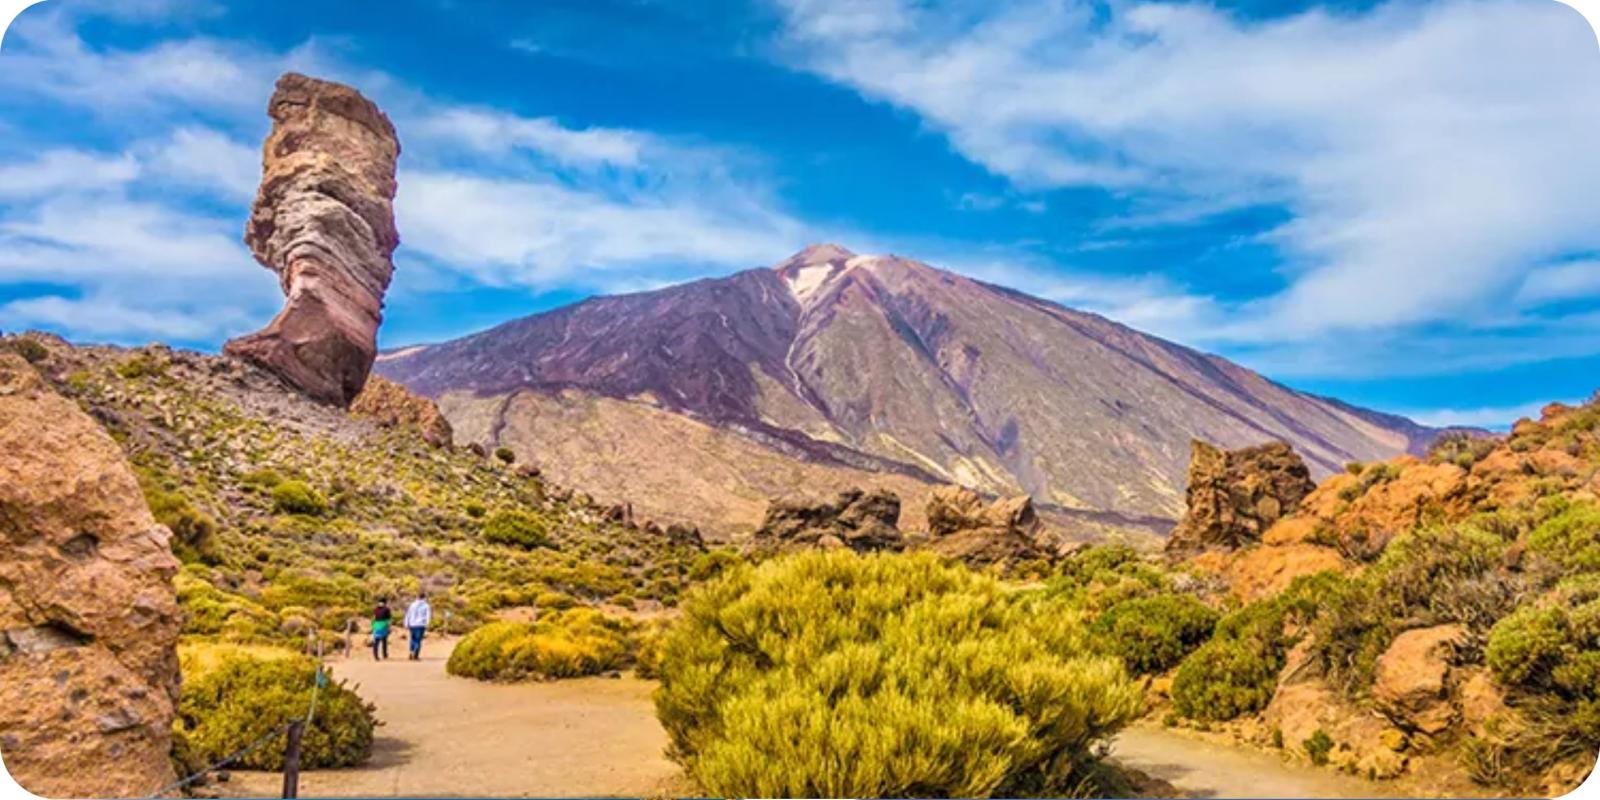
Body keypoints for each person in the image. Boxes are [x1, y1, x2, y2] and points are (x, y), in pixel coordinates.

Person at [404, 591, 432, 660]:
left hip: (412, 624)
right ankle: (415, 654)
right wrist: (427, 623)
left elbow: (408, 614)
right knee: (418, 640)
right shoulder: (426, 605)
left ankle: (411, 652)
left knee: (412, 638)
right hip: (420, 624)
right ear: (424, 597)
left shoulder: (412, 605)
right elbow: (428, 615)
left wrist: (406, 623)